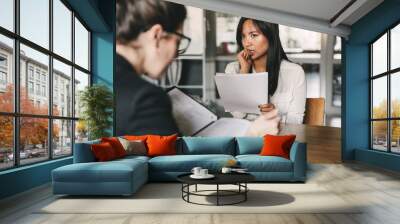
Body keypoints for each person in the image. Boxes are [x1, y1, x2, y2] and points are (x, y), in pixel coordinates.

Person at [115, 0, 190, 136]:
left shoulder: (103, 73)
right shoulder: (145, 98)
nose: (175, 54)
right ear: (156, 35)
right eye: (178, 41)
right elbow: (176, 157)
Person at [225, 18, 306, 125]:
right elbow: (238, 114)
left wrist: (275, 115)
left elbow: (297, 120)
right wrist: (244, 72)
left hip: (278, 138)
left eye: (253, 35)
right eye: (243, 36)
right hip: (246, 138)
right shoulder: (233, 69)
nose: (246, 43)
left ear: (270, 35)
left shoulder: (294, 72)